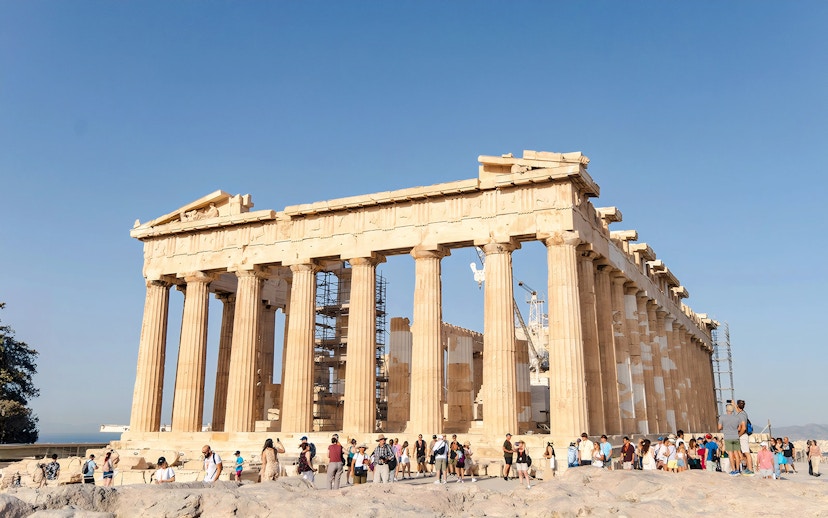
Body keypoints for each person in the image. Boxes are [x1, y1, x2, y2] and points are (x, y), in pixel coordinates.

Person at [718, 403, 743, 476]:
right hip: (735, 436)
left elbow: (719, 427)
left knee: (730, 454)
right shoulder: (737, 418)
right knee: (736, 453)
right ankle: (738, 469)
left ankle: (733, 470)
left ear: (726, 410)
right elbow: (739, 428)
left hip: (728, 437)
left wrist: (725, 428)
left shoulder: (722, 417)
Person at [735, 400, 754, 475]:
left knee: (746, 453)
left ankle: (750, 469)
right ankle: (748, 468)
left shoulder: (741, 415)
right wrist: (734, 405)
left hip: (743, 435)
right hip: (743, 435)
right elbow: (738, 410)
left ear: (737, 405)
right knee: (744, 452)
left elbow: (743, 428)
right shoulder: (743, 413)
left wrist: (738, 435)